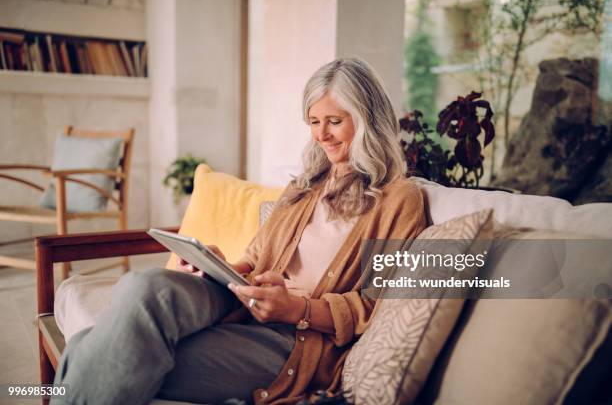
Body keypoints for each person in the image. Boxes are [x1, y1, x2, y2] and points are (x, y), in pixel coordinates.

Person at [51, 58, 427, 405]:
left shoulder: (399, 198)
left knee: (90, 346)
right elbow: (253, 259)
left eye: (334, 121)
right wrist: (216, 264)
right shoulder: (305, 187)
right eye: (314, 122)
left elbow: (378, 306)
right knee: (143, 286)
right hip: (239, 301)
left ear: (366, 119)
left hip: (296, 341)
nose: (321, 135)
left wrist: (297, 307)